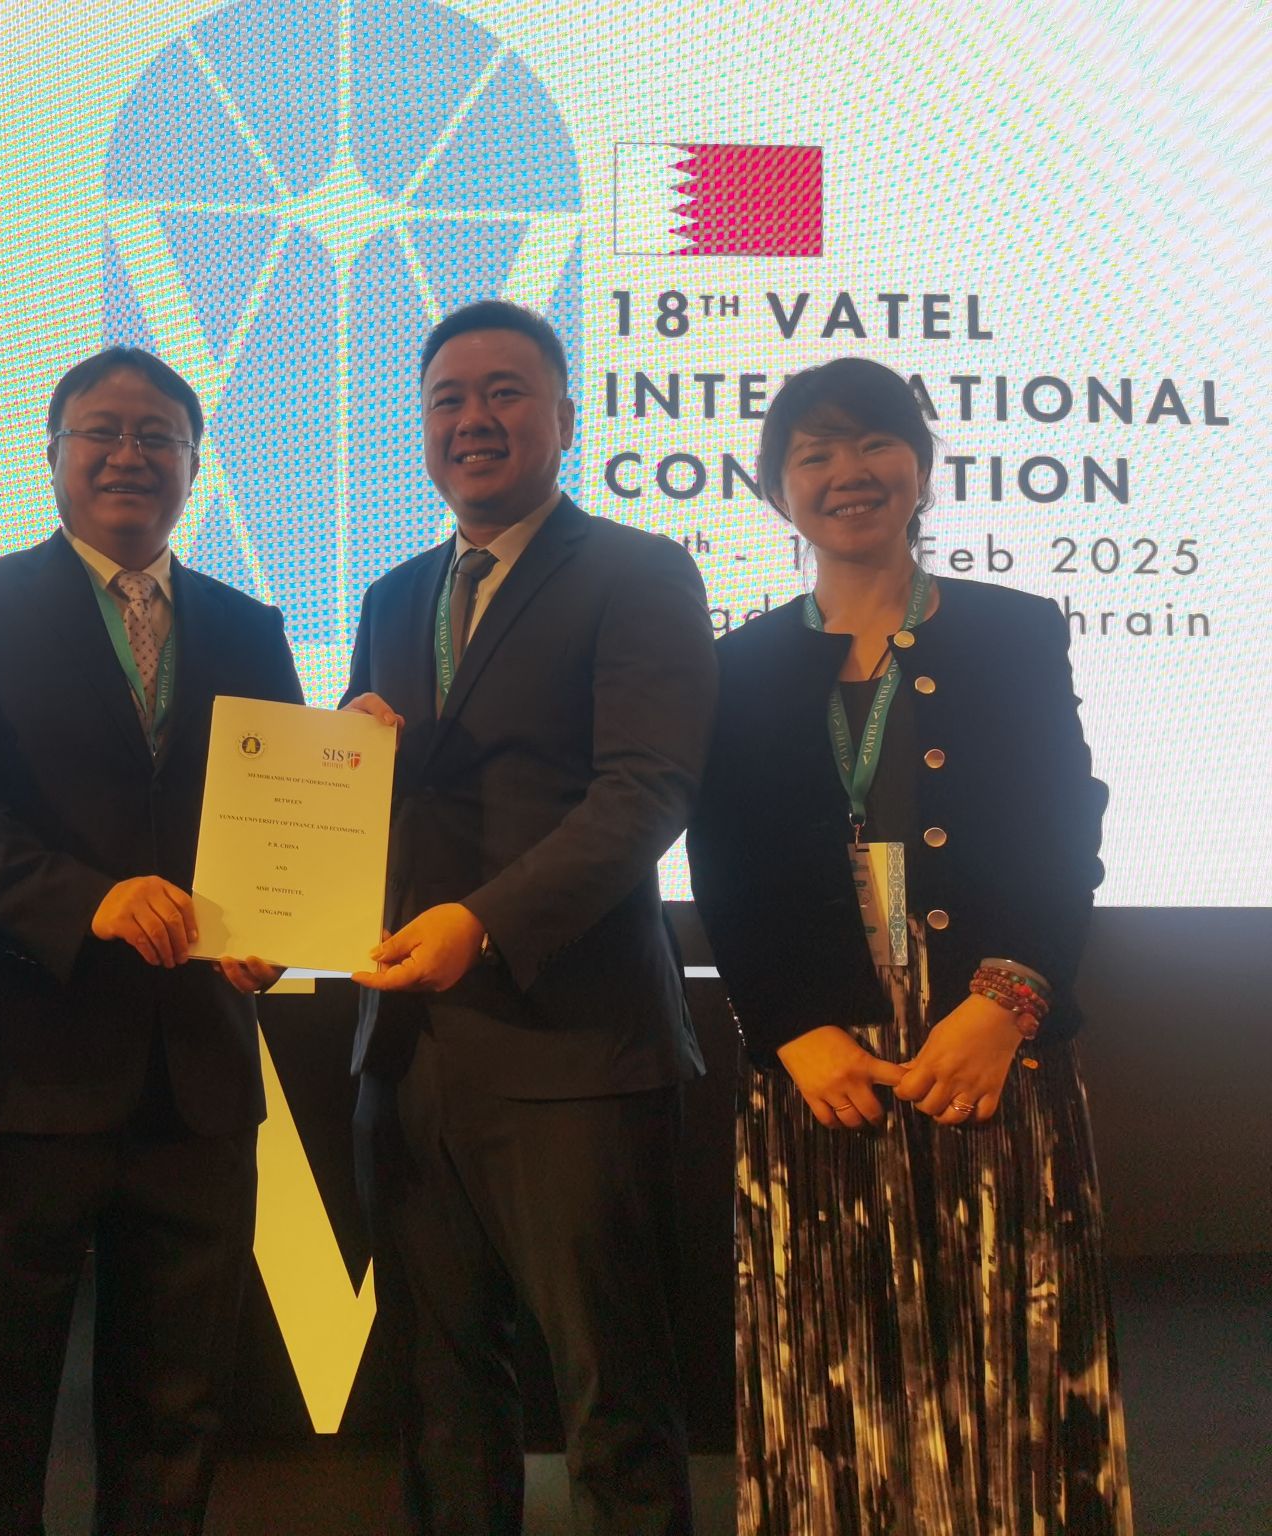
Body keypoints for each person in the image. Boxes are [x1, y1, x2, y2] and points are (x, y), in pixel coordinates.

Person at [686, 357, 1132, 1532]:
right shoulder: (732, 666)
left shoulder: (1011, 632)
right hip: (817, 1054)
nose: (848, 471)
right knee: (830, 1351)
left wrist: (1005, 1001)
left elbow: (1064, 824)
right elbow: (721, 859)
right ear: (775, 491)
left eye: (873, 442)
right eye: (812, 453)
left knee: (1005, 1338)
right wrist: (789, 1027)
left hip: (986, 1033)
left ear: (921, 467)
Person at [0, 346, 303, 1535]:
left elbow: (276, 819)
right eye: (101, 431)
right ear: (54, 453)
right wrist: (85, 901)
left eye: (157, 435)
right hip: (20, 1076)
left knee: (177, 1410)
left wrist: (277, 924)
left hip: (198, 1084)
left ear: (193, 463)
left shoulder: (249, 626)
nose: (129, 454)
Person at [343, 300, 716, 1534]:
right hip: (410, 1058)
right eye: (446, 399)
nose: (473, 419)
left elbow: (644, 790)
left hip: (575, 1052)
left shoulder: (638, 572)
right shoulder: (393, 595)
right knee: (441, 1401)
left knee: (612, 1399)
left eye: (503, 391)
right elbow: (377, 802)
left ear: (564, 414)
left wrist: (484, 922)